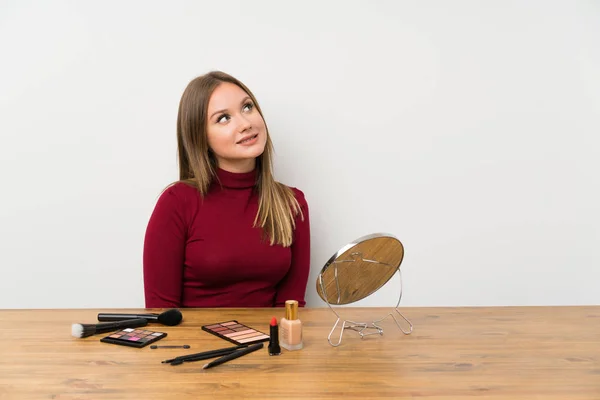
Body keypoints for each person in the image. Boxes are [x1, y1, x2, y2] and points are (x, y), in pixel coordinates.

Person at [143, 71, 310, 308]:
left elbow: (291, 309)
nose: (246, 124)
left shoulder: (292, 203)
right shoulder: (177, 202)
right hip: (196, 344)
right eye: (223, 118)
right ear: (200, 137)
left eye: (247, 107)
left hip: (271, 343)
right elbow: (162, 313)